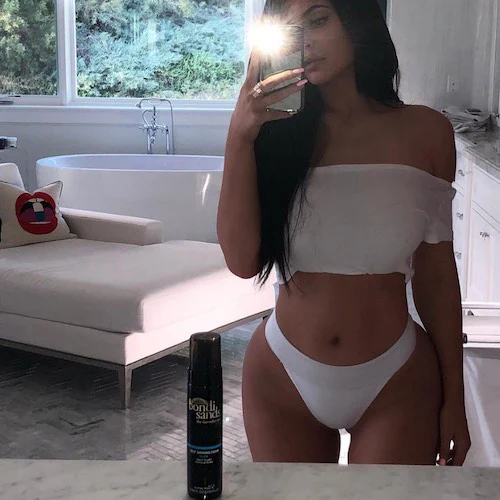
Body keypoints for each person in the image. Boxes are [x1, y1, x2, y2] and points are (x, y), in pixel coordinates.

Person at [217, 0, 471, 466]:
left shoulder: (426, 132)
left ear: (357, 20)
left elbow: (436, 276)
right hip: (282, 377)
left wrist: (455, 397)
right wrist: (239, 135)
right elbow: (241, 261)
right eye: (291, 29)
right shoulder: (274, 135)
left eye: (318, 20)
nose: (305, 42)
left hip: (396, 379)